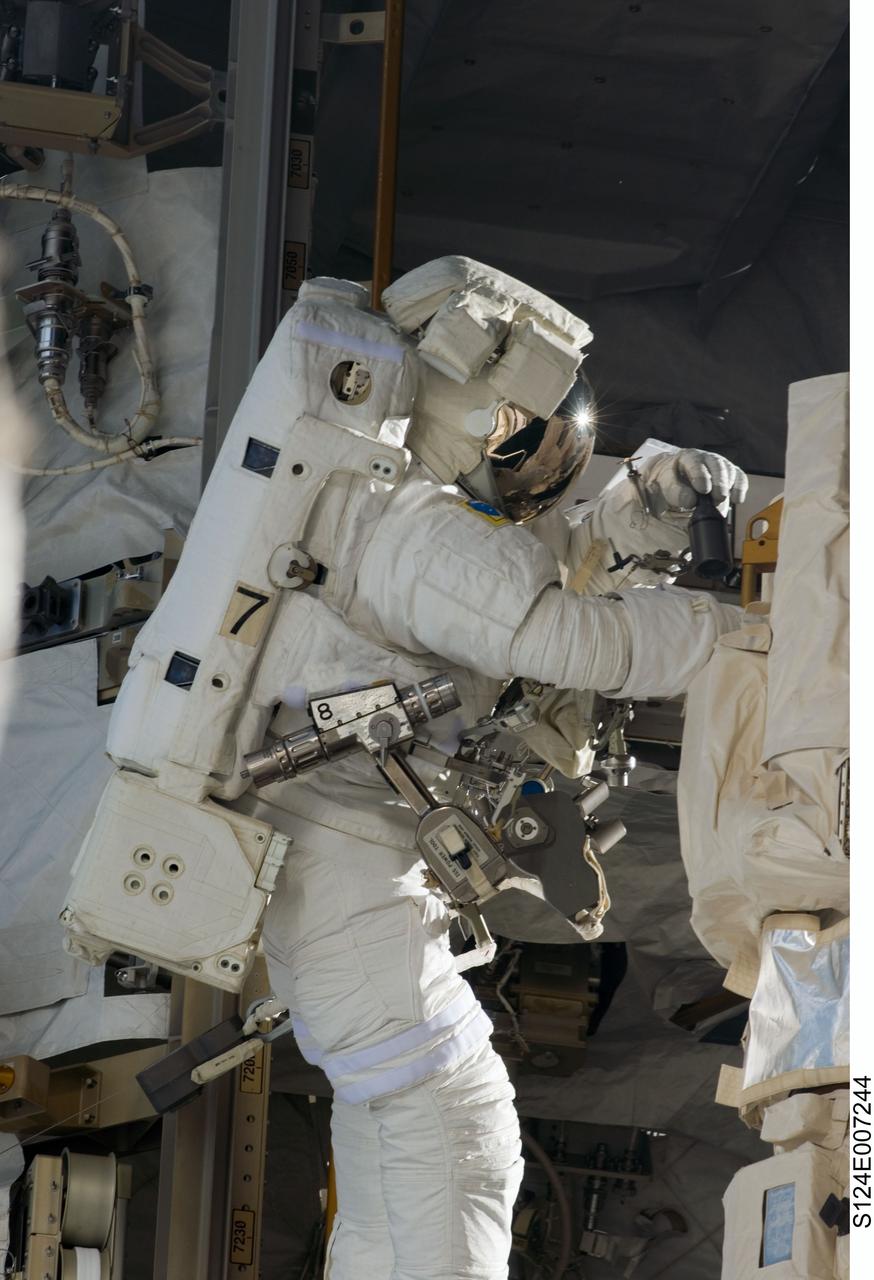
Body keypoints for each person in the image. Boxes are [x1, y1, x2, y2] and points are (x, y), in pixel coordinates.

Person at [106, 257, 747, 1279]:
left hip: (340, 890)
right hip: (347, 894)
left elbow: (544, 573)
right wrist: (747, 636)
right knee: (456, 1133)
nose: (541, 474)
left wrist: (646, 500)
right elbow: (576, 637)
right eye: (525, 444)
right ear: (472, 422)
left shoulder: (393, 514)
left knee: (398, 1140)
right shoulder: (406, 530)